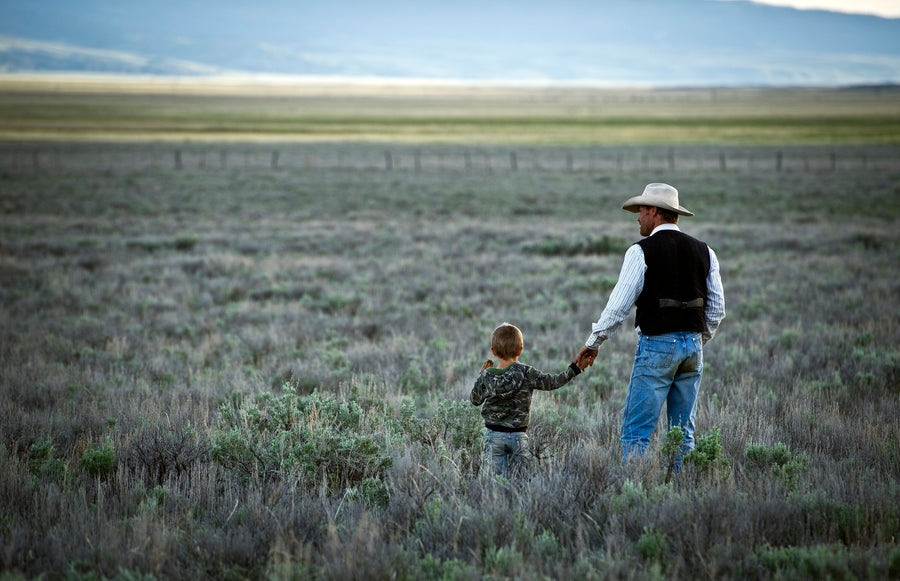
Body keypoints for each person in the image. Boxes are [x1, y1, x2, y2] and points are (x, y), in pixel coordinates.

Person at [578, 183, 725, 468]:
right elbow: (717, 310)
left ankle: (635, 487)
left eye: (642, 210)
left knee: (636, 433)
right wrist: (696, 339)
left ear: (655, 212)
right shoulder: (706, 251)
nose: (638, 217)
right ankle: (682, 488)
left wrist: (594, 343)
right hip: (693, 348)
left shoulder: (640, 251)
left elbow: (618, 307)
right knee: (683, 434)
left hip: (657, 345)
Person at [471, 322, 591, 476]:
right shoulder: (527, 373)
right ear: (520, 350)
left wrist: (481, 375)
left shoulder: (487, 375)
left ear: (493, 351)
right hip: (518, 437)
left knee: (496, 480)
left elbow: (475, 400)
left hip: (494, 436)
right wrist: (576, 368)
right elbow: (553, 382)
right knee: (522, 480)